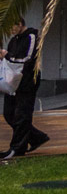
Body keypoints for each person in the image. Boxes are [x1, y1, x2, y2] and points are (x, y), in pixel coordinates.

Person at [1, 17, 47, 162]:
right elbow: (11, 61)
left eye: (12, 27)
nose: (10, 31)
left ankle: (17, 148)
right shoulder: (14, 40)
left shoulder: (32, 37)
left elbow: (27, 59)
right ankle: (37, 137)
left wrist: (7, 56)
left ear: (20, 24)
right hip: (13, 83)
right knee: (9, 113)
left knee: (22, 114)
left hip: (27, 82)